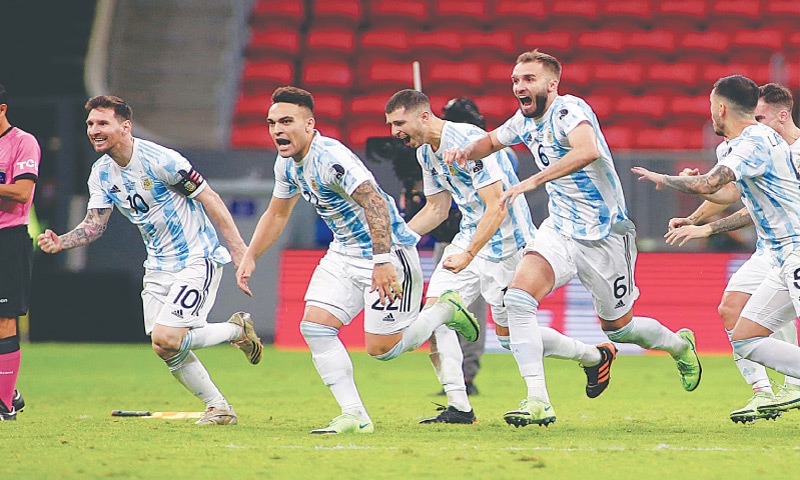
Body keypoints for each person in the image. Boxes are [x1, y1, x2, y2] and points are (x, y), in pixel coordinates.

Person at [443, 50, 702, 427]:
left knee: (621, 328)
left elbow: (587, 150)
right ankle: (537, 401)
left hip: (604, 235)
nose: (519, 86)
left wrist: (533, 180)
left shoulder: (569, 110)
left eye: (528, 79)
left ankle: (679, 345)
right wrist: (463, 151)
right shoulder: (523, 121)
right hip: (559, 229)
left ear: (552, 84)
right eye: (516, 80)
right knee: (517, 300)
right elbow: (491, 141)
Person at [235, 86, 478, 435]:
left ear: (309, 124)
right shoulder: (286, 163)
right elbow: (276, 213)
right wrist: (250, 255)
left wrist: (383, 261)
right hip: (343, 253)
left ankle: (444, 311)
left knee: (383, 350)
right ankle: (355, 416)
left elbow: (376, 203)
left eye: (286, 121)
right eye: (272, 122)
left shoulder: (332, 158)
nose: (277, 130)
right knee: (315, 326)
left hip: (387, 253)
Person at [385, 89, 618, 425]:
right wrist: (397, 241)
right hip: (469, 239)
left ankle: (593, 357)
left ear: (423, 116)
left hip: (509, 246)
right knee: (435, 314)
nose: (395, 132)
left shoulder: (468, 142)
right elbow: (437, 208)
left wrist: (468, 253)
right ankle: (459, 406)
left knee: (513, 339)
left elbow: (496, 205)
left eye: (399, 123)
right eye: (391, 124)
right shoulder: (426, 154)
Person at [37, 95, 262, 425]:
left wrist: (239, 249)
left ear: (125, 126)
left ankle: (234, 331)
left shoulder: (163, 161)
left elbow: (210, 198)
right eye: (90, 124)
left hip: (196, 259)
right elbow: (94, 226)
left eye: (102, 123)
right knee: (164, 346)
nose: (94, 130)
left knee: (168, 337)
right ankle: (219, 406)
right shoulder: (101, 173)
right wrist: (62, 242)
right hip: (157, 266)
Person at [633, 76, 800, 422]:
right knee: (742, 332)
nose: (711, 114)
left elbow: (713, 183)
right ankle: (763, 392)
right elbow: (725, 194)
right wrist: (695, 216)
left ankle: (791, 386)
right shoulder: (732, 147)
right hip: (777, 251)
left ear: (721, 108)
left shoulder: (756, 141)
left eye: (712, 107)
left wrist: (665, 178)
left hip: (794, 244)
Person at [0, 84, 39, 421]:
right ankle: (8, 390)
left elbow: (22, 192)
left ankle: (4, 404)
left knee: (5, 319)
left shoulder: (22, 142)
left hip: (7, 238)